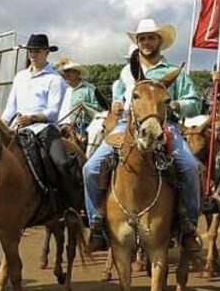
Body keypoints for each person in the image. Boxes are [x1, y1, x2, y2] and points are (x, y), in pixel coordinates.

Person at [82, 18, 203, 260]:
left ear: (160, 41)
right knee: (90, 168)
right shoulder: (127, 72)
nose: (146, 42)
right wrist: (116, 103)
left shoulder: (174, 73)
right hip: (127, 126)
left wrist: (177, 104)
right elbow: (118, 95)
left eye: (151, 37)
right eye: (142, 38)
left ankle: (188, 227)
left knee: (189, 168)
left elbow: (195, 102)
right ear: (138, 42)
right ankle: (97, 223)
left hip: (164, 125)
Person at [0, 33, 83, 219]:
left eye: (37, 51)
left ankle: (70, 207)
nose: (33, 55)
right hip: (18, 130)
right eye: (30, 51)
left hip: (45, 130)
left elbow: (53, 112)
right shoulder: (20, 77)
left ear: (46, 53)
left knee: (61, 162)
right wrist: (1, 126)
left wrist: (33, 118)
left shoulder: (55, 79)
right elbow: (10, 108)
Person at [57, 58, 107, 136]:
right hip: (60, 126)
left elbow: (100, 109)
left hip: (81, 126)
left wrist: (85, 105)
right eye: (65, 71)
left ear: (78, 73)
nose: (67, 74)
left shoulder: (90, 89)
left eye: (70, 71)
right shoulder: (63, 89)